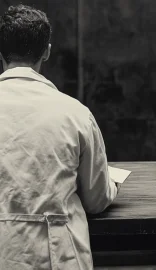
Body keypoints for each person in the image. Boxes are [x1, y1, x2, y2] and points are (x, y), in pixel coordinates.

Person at [0, 4, 120, 270]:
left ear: (1, 53)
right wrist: (112, 184)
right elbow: (97, 200)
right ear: (47, 51)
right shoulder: (75, 113)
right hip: (57, 257)